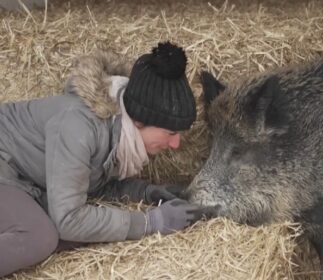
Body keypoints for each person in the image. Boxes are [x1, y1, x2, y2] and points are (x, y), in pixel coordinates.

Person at [0, 42, 207, 277]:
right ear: (140, 121)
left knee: (66, 233)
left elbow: (91, 185)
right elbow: (69, 218)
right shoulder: (79, 127)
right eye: (171, 133)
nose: (176, 144)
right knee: (39, 236)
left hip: (21, 176)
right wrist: (151, 223)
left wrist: (147, 192)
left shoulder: (117, 128)